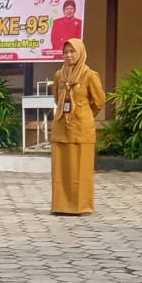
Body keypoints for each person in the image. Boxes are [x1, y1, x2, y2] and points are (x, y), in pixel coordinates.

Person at [50, 38, 106, 215]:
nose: (68, 55)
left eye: (72, 51)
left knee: (81, 169)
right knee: (61, 169)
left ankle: (81, 206)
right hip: (61, 126)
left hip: (82, 128)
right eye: (65, 52)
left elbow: (99, 101)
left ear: (80, 52)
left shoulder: (90, 75)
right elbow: (56, 98)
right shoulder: (59, 75)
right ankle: (60, 206)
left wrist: (84, 115)